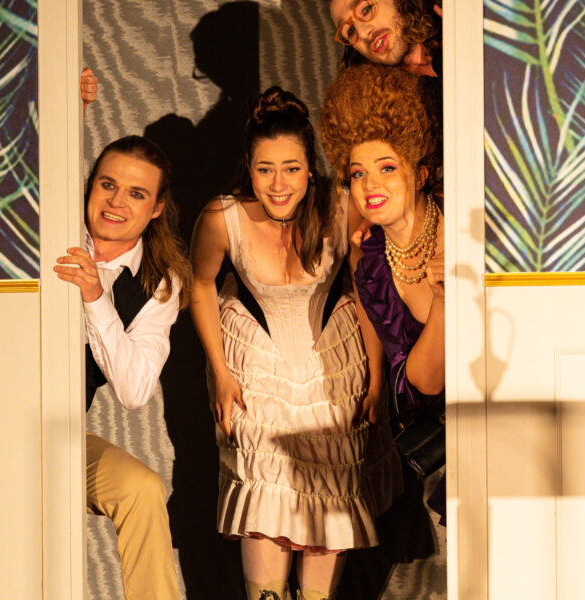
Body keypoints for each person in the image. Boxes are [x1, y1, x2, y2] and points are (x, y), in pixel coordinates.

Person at [189, 86, 401, 600]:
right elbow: (199, 285)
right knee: (265, 500)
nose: (278, 183)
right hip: (258, 366)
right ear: (249, 168)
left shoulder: (341, 209)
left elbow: (365, 292)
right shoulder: (222, 217)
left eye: (291, 168)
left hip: (330, 369)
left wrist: (376, 380)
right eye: (265, 169)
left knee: (328, 500)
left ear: (310, 169)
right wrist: (220, 373)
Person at [54, 135, 192, 600]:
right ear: (89, 186)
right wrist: (71, 109)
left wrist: (96, 297)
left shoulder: (159, 283)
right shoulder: (52, 228)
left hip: (56, 434)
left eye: (136, 193)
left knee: (141, 488)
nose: (116, 202)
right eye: (107, 185)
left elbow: (135, 392)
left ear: (156, 208)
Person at [322, 64, 446, 524]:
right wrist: (444, 303)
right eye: (357, 174)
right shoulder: (371, 264)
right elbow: (423, 385)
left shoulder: (463, 224)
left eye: (387, 168)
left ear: (421, 173)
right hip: (458, 440)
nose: (370, 185)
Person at [329, 0, 442, 77]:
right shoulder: (378, 102)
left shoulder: (450, 19)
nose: (362, 33)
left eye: (366, 9)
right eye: (350, 31)